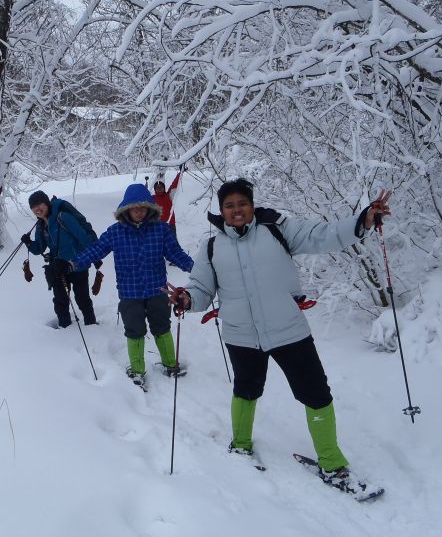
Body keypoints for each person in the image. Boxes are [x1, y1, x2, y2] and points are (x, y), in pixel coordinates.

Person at [167, 178, 391, 489]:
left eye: (242, 203)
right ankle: (241, 445)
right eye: (229, 205)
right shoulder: (212, 246)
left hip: (288, 330)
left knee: (316, 393)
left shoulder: (277, 229)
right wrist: (187, 299)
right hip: (241, 335)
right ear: (221, 210)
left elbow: (322, 235)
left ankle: (331, 462)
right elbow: (202, 289)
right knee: (246, 389)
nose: (237, 210)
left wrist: (362, 221)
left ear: (252, 205)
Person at [68, 183, 194, 389]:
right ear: (125, 209)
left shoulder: (161, 229)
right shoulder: (116, 232)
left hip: (157, 291)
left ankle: (171, 365)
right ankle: (137, 371)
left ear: (150, 208)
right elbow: (96, 250)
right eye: (134, 207)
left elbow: (175, 253)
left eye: (143, 207)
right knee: (134, 331)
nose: (138, 211)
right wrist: (73, 264)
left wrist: (195, 268)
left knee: (162, 328)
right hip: (129, 293)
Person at [22, 191, 99, 328]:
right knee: (60, 300)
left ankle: (91, 326)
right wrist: (28, 243)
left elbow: (82, 236)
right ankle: (65, 329)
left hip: (77, 264)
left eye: (39, 204)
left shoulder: (63, 217)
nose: (37, 209)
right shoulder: (40, 226)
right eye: (33, 207)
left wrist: (94, 256)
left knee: (82, 298)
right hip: (57, 267)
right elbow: (39, 249)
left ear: (46, 203)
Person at [152, 167, 184, 235]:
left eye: (161, 187)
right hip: (158, 226)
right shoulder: (152, 198)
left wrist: (180, 173)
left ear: (164, 188)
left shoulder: (169, 195)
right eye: (157, 188)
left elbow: (174, 184)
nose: (159, 189)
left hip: (170, 224)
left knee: (172, 243)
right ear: (155, 190)